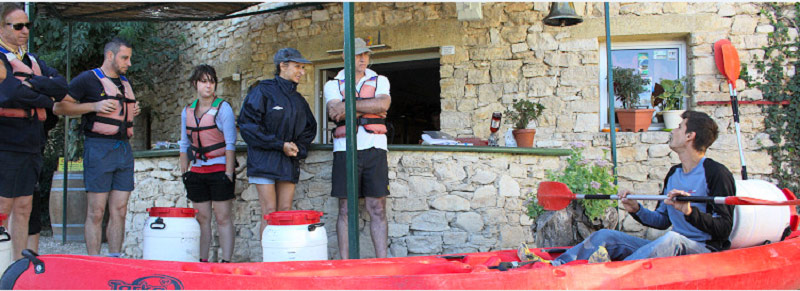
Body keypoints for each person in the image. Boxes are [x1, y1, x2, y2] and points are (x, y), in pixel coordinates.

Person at [521, 110, 735, 265]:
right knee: (605, 235)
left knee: (671, 239)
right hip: (672, 245)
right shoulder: (674, 173)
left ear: (690, 136)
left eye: (679, 127)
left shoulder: (717, 174)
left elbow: (724, 228)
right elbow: (661, 221)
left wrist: (689, 211)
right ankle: (555, 266)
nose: (673, 131)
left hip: (703, 251)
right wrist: (636, 209)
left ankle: (610, 274)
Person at [53, 37, 140, 257]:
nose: (128, 63)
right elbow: (59, 107)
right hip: (98, 148)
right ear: (109, 56)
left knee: (119, 210)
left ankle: (115, 259)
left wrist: (132, 111)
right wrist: (94, 106)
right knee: (96, 211)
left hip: (123, 150)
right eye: (124, 58)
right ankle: (94, 262)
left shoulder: (125, 82)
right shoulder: (87, 79)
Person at [0, 2, 68, 259]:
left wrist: (31, 83)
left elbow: (62, 86)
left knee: (25, 206)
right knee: (3, 206)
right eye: (17, 26)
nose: (25, 31)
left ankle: (17, 268)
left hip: (32, 140)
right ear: (1, 27)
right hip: (6, 138)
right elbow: (8, 93)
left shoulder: (32, 60)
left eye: (27, 25)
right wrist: (45, 98)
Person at [324, 38, 391, 259]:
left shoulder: (380, 80)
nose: (363, 58)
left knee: (378, 208)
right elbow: (334, 111)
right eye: (357, 54)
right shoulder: (332, 84)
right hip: (344, 150)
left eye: (366, 54)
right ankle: (346, 265)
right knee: (345, 209)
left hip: (375, 149)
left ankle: (382, 263)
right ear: (345, 56)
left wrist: (347, 106)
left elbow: (382, 105)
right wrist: (367, 106)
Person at [238, 48, 316, 236]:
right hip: (263, 161)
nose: (302, 72)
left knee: (285, 211)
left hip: (288, 161)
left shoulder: (298, 100)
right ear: (283, 66)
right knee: (270, 213)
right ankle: (268, 262)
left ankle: (280, 259)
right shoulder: (262, 91)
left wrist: (299, 147)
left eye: (303, 67)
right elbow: (248, 126)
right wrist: (279, 145)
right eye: (298, 66)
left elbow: (310, 128)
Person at [178, 65, 236, 263]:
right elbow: (184, 143)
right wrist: (184, 172)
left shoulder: (223, 108)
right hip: (197, 171)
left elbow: (230, 143)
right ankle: (203, 261)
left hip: (219, 169)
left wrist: (229, 174)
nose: (208, 86)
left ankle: (226, 261)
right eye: (204, 81)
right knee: (202, 219)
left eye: (211, 81)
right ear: (195, 84)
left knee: (223, 218)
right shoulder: (187, 111)